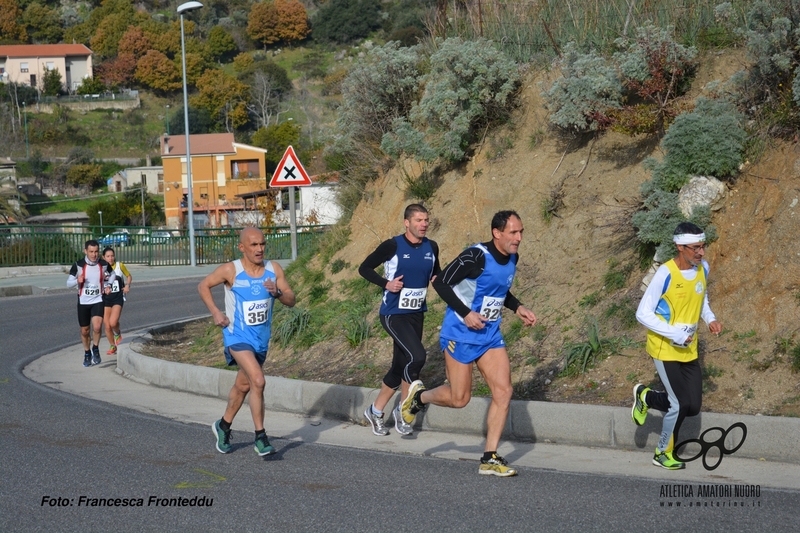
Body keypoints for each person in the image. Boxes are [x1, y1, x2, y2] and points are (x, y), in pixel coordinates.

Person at [400, 210, 537, 477]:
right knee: (459, 398)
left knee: (503, 392)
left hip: (489, 336)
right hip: (459, 335)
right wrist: (466, 313)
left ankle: (490, 457)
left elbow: (497, 289)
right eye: (513, 232)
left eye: (521, 232)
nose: (519, 238)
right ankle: (419, 397)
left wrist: (517, 306)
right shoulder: (475, 256)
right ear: (497, 233)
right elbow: (440, 283)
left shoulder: (512, 257)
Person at [632, 222, 723, 470]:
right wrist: (675, 333)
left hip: (688, 349)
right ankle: (663, 452)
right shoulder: (666, 273)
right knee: (680, 403)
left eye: (703, 247)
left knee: (692, 406)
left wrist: (710, 318)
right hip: (664, 348)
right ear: (680, 247)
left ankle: (645, 396)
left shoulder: (703, 268)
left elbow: (701, 298)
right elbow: (643, 313)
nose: (701, 252)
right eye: (695, 248)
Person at [199, 227, 296, 456]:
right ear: (242, 247)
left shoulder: (273, 270)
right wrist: (215, 312)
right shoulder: (231, 270)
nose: (259, 249)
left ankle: (223, 425)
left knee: (243, 386)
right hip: (237, 337)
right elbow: (203, 285)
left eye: (262, 244)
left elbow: (291, 298)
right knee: (258, 381)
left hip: (260, 341)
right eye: (254, 245)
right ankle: (260, 437)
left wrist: (278, 294)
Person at [358, 204, 441, 436]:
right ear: (407, 222)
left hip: (416, 313)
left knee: (400, 365)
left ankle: (375, 411)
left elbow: (437, 273)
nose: (423, 224)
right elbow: (364, 268)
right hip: (393, 314)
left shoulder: (431, 247)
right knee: (417, 357)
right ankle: (404, 412)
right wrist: (387, 284)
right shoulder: (392, 245)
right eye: (418, 220)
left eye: (426, 220)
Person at [67, 239, 115, 367]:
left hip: (98, 299)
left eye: (96, 252)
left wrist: (108, 285)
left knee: (98, 327)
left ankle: (96, 348)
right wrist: (78, 280)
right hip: (83, 301)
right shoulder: (78, 265)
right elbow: (68, 283)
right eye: (91, 252)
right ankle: (87, 353)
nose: (94, 255)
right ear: (85, 251)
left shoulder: (103, 264)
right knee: (85, 331)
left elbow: (113, 273)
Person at [101, 247, 132, 355]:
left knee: (113, 322)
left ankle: (117, 333)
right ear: (103, 257)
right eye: (108, 256)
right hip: (105, 299)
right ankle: (112, 345)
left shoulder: (119, 266)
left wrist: (127, 285)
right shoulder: (100, 268)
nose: (110, 258)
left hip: (118, 297)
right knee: (107, 325)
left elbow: (128, 276)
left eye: (112, 256)